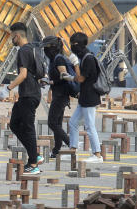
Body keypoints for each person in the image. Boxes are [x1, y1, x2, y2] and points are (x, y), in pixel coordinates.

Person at [5, 22, 42, 175]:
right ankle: (35, 154)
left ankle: (33, 164)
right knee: (14, 124)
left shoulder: (23, 51)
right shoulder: (33, 48)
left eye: (11, 37)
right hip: (29, 93)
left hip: (29, 94)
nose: (11, 40)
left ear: (17, 36)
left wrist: (8, 87)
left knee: (28, 127)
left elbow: (23, 75)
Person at [67, 31, 103, 164]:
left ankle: (97, 154)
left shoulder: (88, 58)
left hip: (90, 97)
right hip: (84, 97)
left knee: (89, 126)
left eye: (73, 44)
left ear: (80, 44)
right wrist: (71, 76)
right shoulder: (84, 57)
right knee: (73, 122)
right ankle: (72, 151)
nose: (72, 47)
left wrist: (75, 66)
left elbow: (81, 78)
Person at [43, 36, 75, 161]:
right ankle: (56, 149)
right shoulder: (54, 59)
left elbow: (64, 75)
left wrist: (51, 82)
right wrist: (49, 81)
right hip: (58, 94)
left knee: (52, 123)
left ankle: (71, 144)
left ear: (52, 48)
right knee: (57, 123)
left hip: (61, 95)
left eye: (46, 48)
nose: (44, 51)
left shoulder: (59, 59)